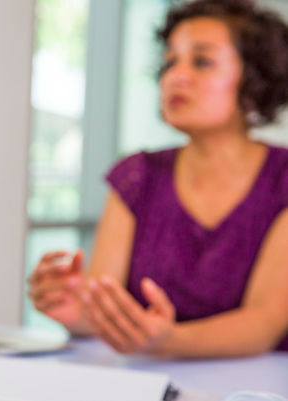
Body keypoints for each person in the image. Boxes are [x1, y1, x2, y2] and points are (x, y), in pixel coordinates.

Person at [29, 0, 288, 359]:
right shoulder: (137, 176)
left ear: (253, 80)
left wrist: (168, 341)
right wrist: (77, 310)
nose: (174, 76)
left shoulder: (282, 179)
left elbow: (266, 321)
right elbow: (104, 305)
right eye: (169, 62)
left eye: (201, 61)